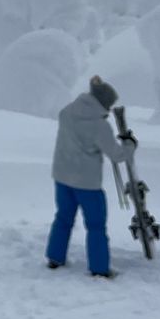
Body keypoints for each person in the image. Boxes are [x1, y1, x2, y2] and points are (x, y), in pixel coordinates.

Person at [46, 77, 132, 278]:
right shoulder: (99, 126)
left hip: (62, 176)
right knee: (95, 225)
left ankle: (54, 257)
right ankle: (99, 268)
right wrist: (130, 145)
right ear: (103, 103)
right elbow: (117, 155)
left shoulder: (67, 112)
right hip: (87, 183)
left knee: (63, 218)